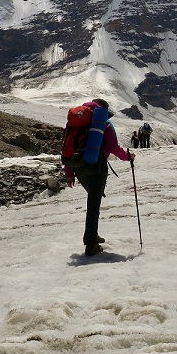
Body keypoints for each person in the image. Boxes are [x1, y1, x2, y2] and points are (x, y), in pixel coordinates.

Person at [63, 99, 134, 256]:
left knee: (93, 201)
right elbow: (113, 147)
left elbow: (69, 147)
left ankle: (93, 235)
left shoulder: (77, 122)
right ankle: (90, 244)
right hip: (96, 167)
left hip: (78, 167)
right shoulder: (104, 125)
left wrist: (69, 173)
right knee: (94, 205)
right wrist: (128, 157)